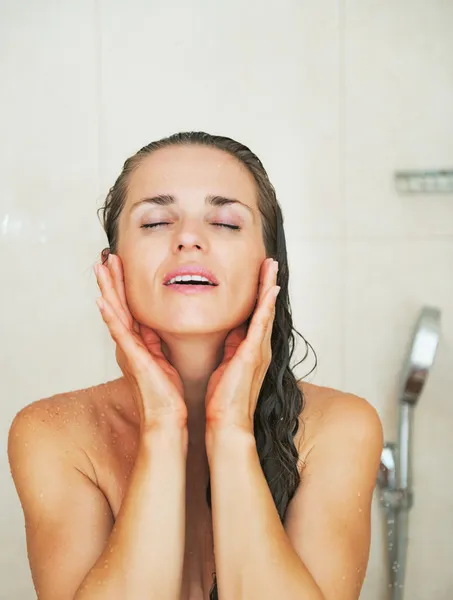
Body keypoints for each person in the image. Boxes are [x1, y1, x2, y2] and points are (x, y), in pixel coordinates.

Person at [7, 131, 383, 600]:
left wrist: (231, 431)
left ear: (271, 266)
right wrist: (163, 425)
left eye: (225, 222)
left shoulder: (338, 428)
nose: (188, 238)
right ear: (112, 268)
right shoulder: (54, 433)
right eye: (156, 222)